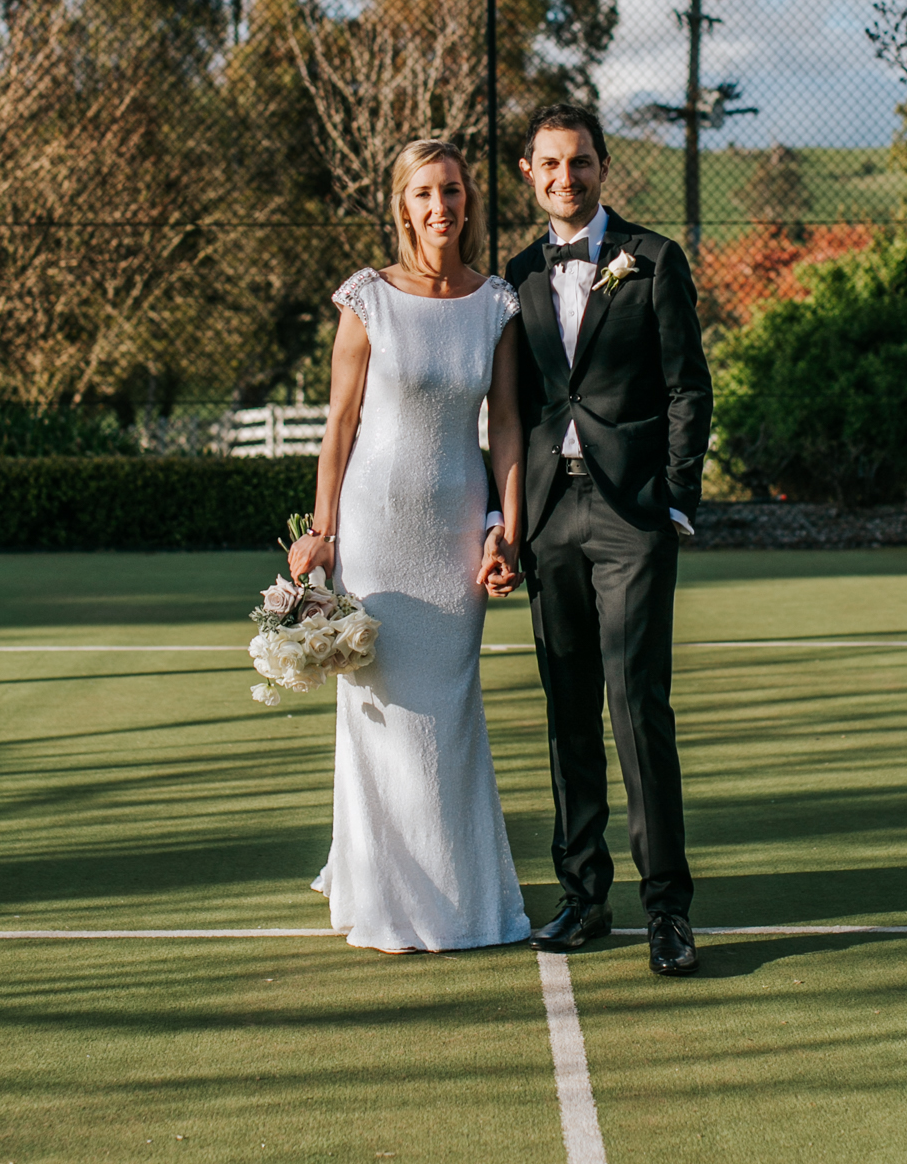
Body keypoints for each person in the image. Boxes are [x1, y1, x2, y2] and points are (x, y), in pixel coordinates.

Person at [288, 138, 530, 954]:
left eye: (454, 190)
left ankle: (464, 901)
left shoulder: (496, 302)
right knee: (379, 713)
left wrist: (508, 528)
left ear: (469, 201)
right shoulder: (368, 299)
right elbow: (339, 429)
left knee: (448, 712)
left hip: (456, 534)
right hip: (377, 533)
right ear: (402, 205)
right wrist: (322, 536)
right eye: (425, 192)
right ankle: (387, 898)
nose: (441, 206)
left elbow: (505, 430)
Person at [506, 103, 713, 976]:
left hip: (632, 520)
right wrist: (507, 522)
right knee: (566, 717)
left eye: (580, 162)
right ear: (528, 172)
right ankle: (583, 897)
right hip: (550, 518)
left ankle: (666, 909)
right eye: (550, 164)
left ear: (602, 166)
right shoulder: (514, 277)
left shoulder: (655, 261)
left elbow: (687, 389)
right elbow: (510, 409)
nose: (566, 177)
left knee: (639, 713)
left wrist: (670, 500)